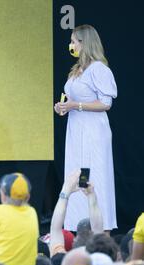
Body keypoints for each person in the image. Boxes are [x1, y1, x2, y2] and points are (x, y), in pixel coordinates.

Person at [54, 25, 117, 232]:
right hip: (76, 130)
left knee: (94, 175)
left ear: (85, 42)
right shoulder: (77, 69)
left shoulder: (99, 69)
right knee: (77, 174)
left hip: (93, 132)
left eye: (74, 41)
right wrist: (64, 106)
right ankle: (78, 226)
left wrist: (76, 105)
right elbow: (74, 98)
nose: (71, 45)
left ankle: (102, 228)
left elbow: (105, 103)